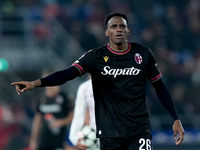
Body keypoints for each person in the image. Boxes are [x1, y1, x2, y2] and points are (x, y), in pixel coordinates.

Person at [12, 12, 185, 150]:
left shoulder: (143, 54)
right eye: (114, 26)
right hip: (109, 134)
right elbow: (66, 74)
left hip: (138, 130)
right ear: (106, 32)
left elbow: (160, 87)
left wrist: (175, 118)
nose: (118, 29)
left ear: (128, 31)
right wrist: (35, 83)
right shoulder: (95, 57)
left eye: (122, 26)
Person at [28, 69, 74, 150]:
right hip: (44, 139)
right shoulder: (41, 99)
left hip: (60, 139)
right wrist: (33, 138)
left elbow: (73, 116)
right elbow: (37, 120)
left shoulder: (65, 97)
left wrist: (61, 122)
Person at [69, 77, 99, 150]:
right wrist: (74, 137)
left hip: (118, 137)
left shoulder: (118, 84)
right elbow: (79, 115)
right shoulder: (85, 88)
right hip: (93, 139)